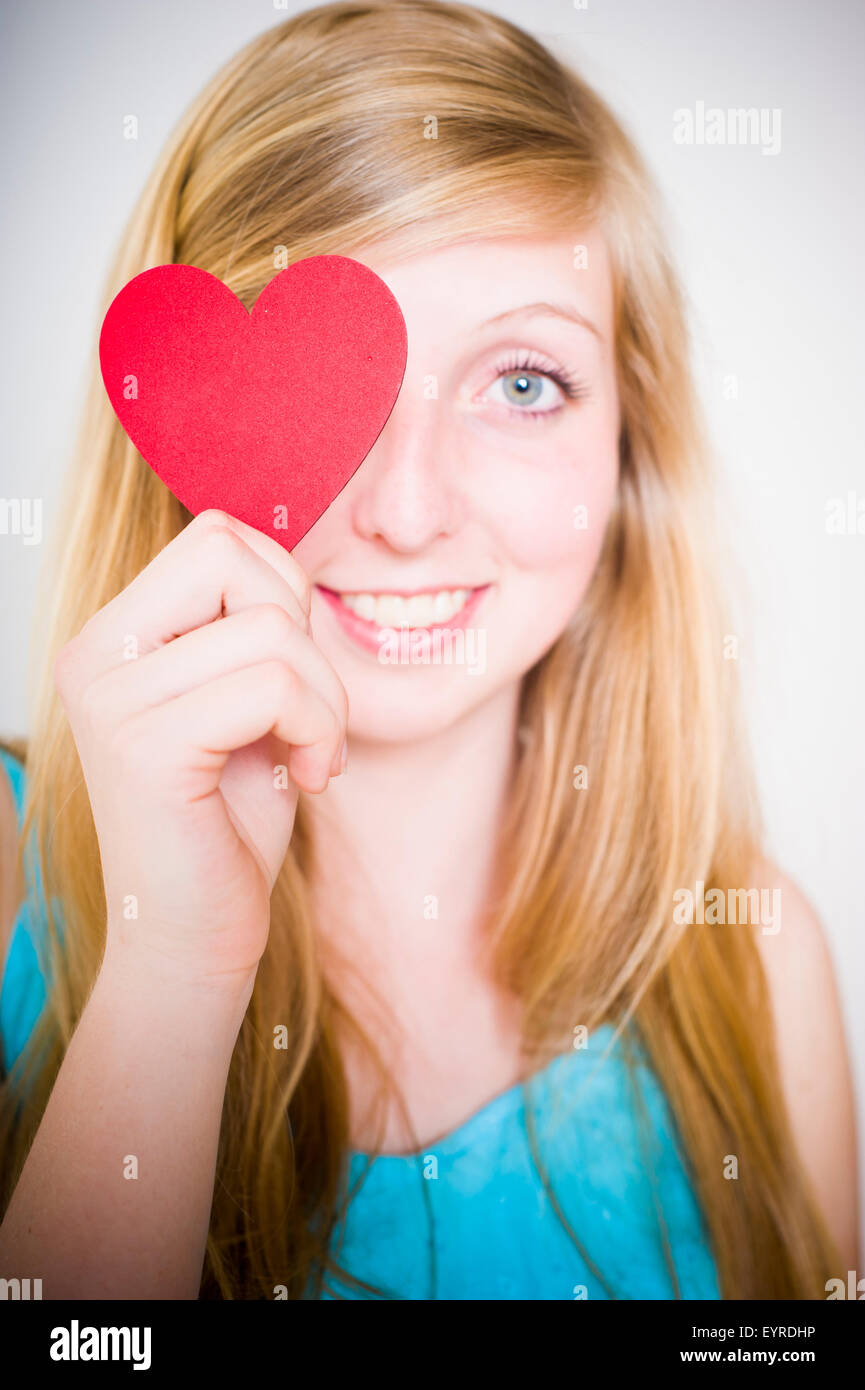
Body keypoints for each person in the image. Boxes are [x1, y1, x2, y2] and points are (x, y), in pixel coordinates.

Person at [0, 0, 857, 1300]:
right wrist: (171, 967)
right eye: (319, 393)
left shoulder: (748, 956)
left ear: (629, 448)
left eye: (521, 383)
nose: (403, 513)